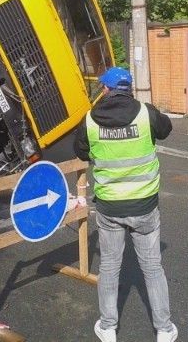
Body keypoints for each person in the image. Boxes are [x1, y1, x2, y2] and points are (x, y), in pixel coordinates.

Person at [74, 67, 177, 342]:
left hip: (110, 208)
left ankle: (108, 327)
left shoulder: (89, 121)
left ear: (105, 90)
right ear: (128, 88)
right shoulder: (146, 113)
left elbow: (80, 151)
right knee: (153, 267)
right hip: (144, 206)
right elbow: (166, 129)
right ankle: (164, 329)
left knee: (109, 266)